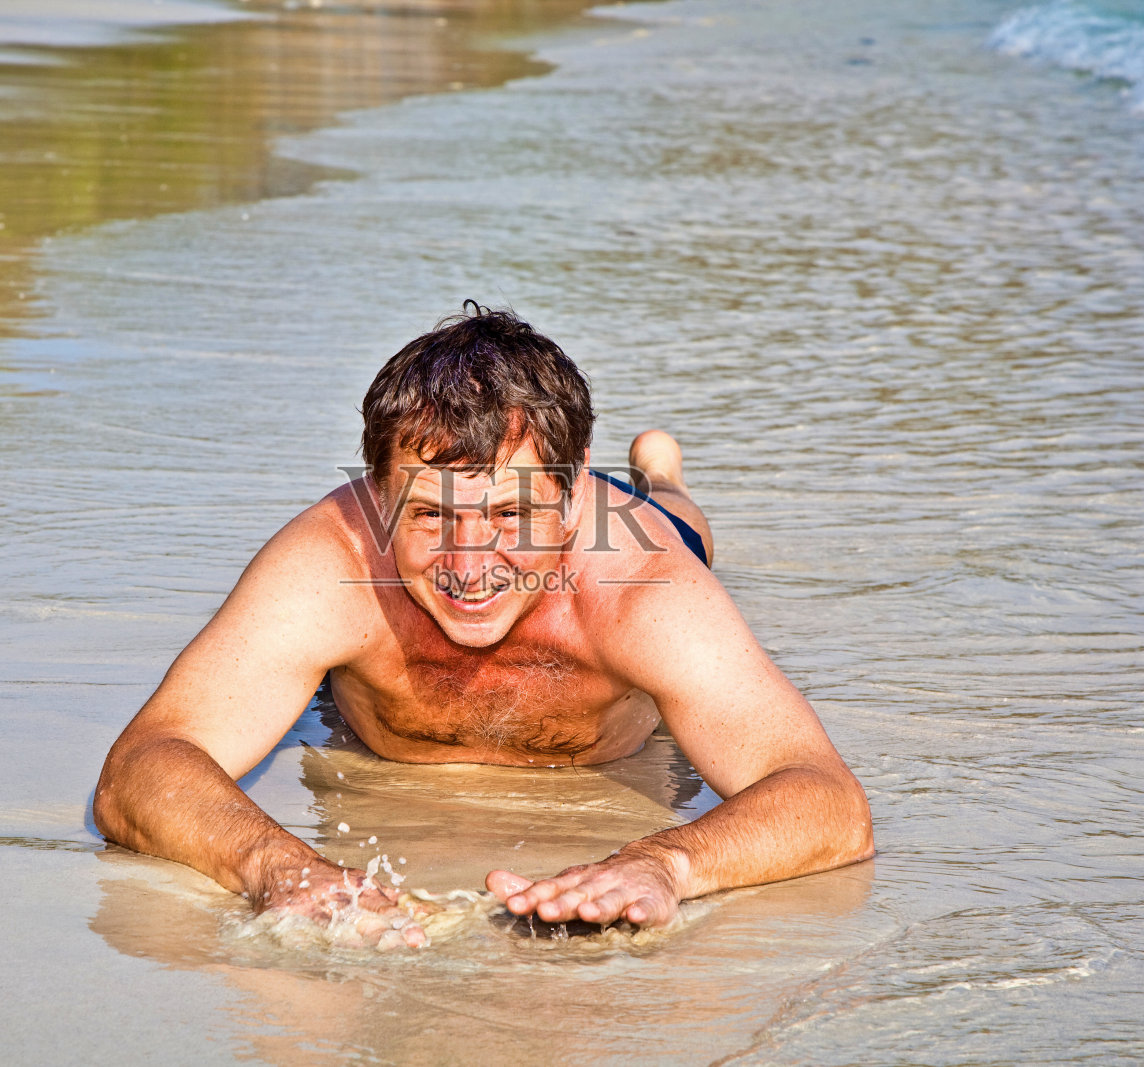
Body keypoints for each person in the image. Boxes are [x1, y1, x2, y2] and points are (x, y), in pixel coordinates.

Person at [93, 304, 873, 946]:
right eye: (430, 514)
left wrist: (666, 863)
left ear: (570, 493)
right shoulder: (329, 562)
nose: (469, 566)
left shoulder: (644, 590)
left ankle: (661, 474)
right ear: (378, 491)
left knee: (679, 524)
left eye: (509, 513)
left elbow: (830, 803)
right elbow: (139, 769)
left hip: (638, 531)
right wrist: (280, 867)